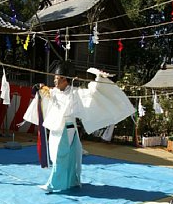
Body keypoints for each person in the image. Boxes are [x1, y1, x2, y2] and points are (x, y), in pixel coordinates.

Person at [23, 61, 135, 192]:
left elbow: (94, 95)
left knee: (61, 157)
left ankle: (54, 184)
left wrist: (99, 79)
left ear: (65, 79)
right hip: (56, 130)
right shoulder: (53, 92)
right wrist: (38, 88)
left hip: (67, 129)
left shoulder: (76, 93)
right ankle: (71, 181)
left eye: (57, 78)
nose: (54, 80)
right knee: (65, 157)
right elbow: (42, 94)